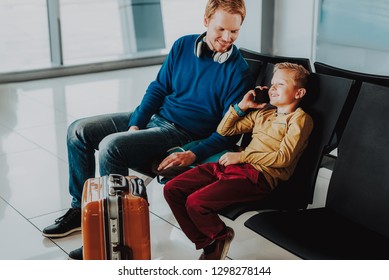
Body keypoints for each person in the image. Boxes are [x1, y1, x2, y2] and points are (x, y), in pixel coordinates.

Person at [42, 0, 252, 260]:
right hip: (157, 117)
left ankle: (113, 236)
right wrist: (136, 124)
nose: (226, 38)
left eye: (234, 32)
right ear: (206, 21)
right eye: (221, 29)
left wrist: (193, 154)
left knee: (112, 146)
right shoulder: (183, 45)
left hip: (182, 133)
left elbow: (229, 132)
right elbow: (158, 89)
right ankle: (79, 211)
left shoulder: (238, 71)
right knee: (78, 130)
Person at [163, 62, 313, 260]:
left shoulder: (299, 119)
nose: (273, 88)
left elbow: (284, 158)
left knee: (196, 202)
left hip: (258, 176)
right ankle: (209, 243)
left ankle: (219, 236)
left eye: (281, 84)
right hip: (233, 166)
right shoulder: (263, 113)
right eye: (272, 83)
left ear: (299, 93)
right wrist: (242, 106)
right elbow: (224, 130)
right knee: (172, 189)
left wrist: (242, 156)